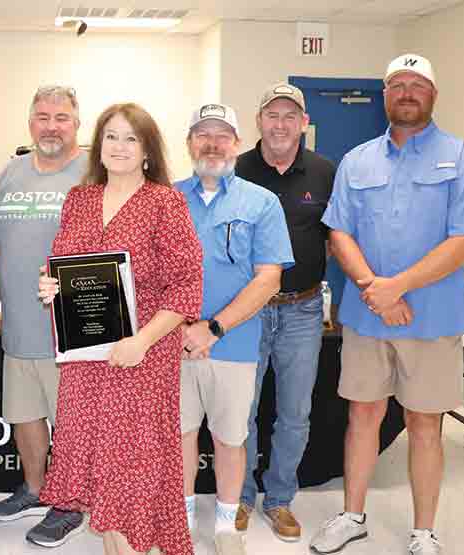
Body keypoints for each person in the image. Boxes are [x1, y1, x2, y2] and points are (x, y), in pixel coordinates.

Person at [311, 54, 464, 555]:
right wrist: (376, 286)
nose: (407, 92)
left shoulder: (463, 158)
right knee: (363, 416)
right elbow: (339, 231)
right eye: (397, 85)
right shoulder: (357, 160)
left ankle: (423, 532)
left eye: (417, 84)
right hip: (368, 317)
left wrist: (399, 287)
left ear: (433, 95)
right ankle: (352, 516)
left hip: (431, 320)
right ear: (385, 95)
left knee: (424, 424)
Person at [38, 102, 202, 555]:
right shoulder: (80, 199)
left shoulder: (165, 202)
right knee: (103, 466)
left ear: (148, 149)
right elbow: (63, 263)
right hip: (86, 360)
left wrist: (142, 341)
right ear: (98, 145)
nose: (120, 146)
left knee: (131, 466)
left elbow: (186, 286)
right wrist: (50, 285)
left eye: (131, 138)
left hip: (142, 358)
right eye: (111, 136)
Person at [175, 103, 294, 555]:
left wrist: (214, 327)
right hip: (176, 343)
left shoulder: (261, 203)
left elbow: (269, 278)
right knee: (181, 436)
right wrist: (184, 328)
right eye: (202, 135)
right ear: (189, 144)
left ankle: (227, 526)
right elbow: (148, 272)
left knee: (229, 438)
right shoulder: (166, 199)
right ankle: (180, 522)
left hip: (235, 344)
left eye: (222, 135)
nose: (212, 143)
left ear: (237, 145)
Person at [0, 85, 88, 548]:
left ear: (77, 124)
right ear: (30, 123)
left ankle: (69, 503)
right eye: (43, 116)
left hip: (71, 331)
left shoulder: (94, 175)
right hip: (19, 326)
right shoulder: (9, 174)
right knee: (24, 415)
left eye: (62, 117)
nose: (51, 125)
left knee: (71, 421)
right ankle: (34, 487)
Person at [233, 83, 336, 542]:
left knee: (294, 412)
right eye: (272, 114)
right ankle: (237, 497)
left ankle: (279, 500)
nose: (280, 123)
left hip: (303, 310)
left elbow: (338, 239)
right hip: (247, 312)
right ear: (259, 120)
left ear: (304, 123)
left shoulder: (324, 172)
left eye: (290, 115)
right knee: (242, 409)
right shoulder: (236, 170)